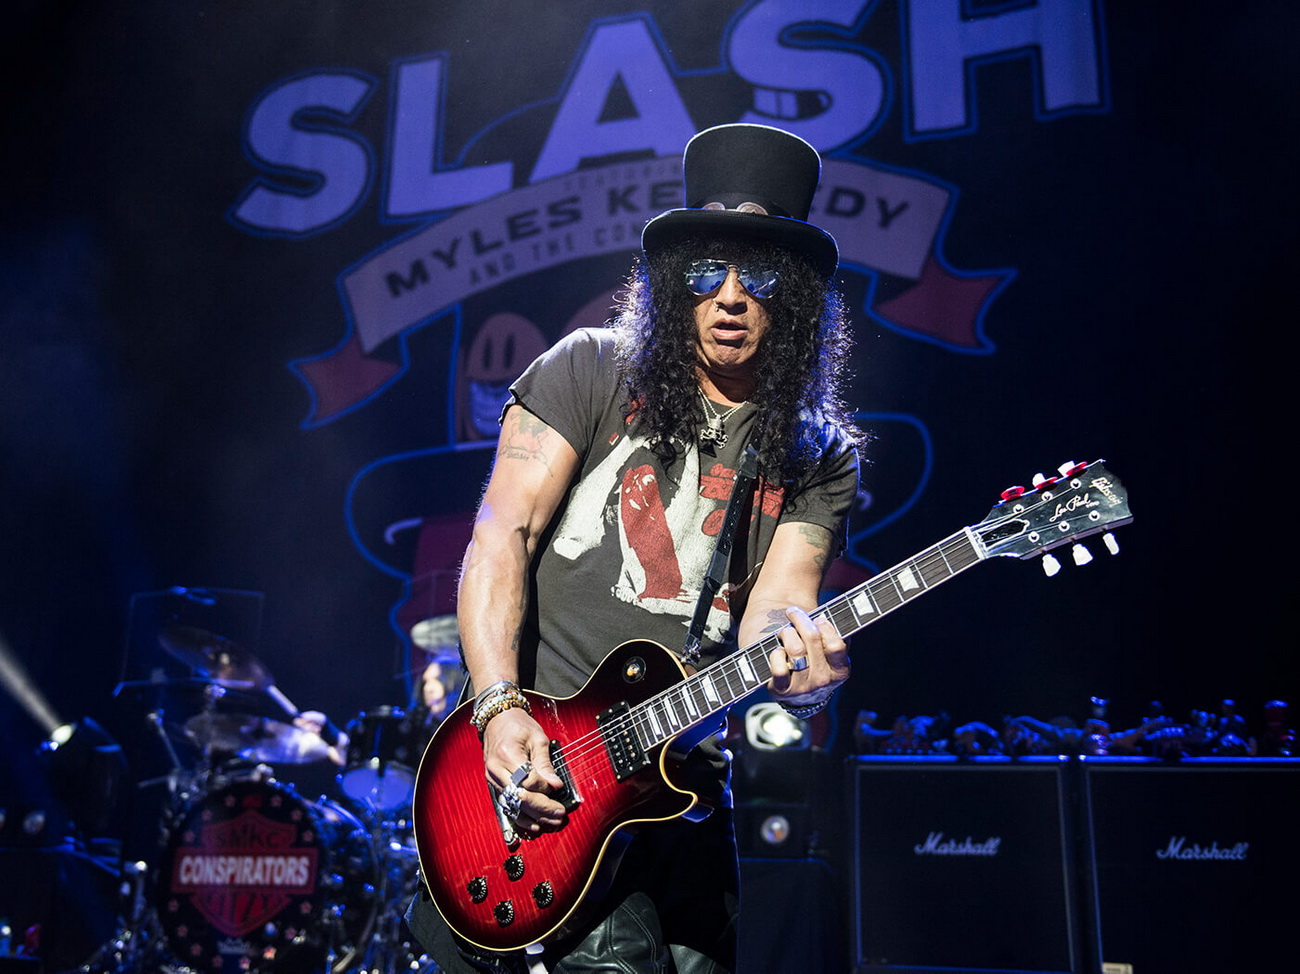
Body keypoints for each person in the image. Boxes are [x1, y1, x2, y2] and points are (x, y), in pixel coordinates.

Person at [407, 123, 861, 974]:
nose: (730, 297)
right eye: (706, 271)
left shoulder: (817, 451)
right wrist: (499, 708)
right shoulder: (589, 369)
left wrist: (803, 678)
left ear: (797, 295)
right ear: (672, 281)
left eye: (759, 275)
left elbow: (777, 609)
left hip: (682, 787)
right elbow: (502, 534)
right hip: (538, 765)